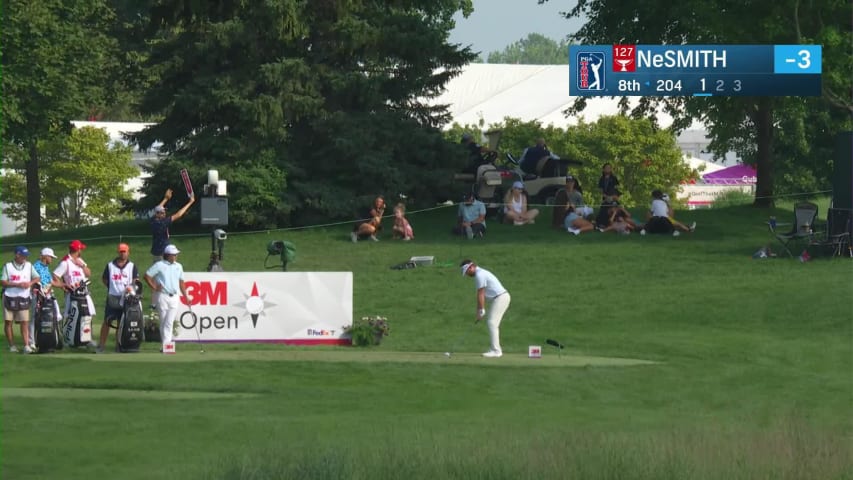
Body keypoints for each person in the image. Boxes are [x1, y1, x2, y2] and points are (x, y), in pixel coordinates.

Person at [144, 244, 190, 353]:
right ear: (168, 255)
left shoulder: (179, 266)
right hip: (162, 296)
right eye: (173, 255)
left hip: (174, 296)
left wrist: (186, 296)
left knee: (169, 322)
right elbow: (146, 276)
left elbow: (181, 283)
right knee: (164, 321)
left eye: (176, 254)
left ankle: (166, 346)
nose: (175, 256)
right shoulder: (159, 265)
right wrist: (154, 287)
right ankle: (166, 346)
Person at [460, 260, 510, 358]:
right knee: (492, 323)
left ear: (471, 267)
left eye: (466, 271)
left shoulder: (480, 274)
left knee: (492, 323)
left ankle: (496, 351)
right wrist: (479, 311)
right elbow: (480, 295)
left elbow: (481, 293)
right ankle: (495, 349)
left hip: (501, 297)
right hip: (499, 298)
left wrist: (481, 309)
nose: (466, 274)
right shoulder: (480, 273)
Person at [97, 243, 140, 353]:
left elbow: (135, 281)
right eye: (121, 251)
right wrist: (111, 287)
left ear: (128, 252)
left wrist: (131, 290)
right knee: (107, 321)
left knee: (121, 323)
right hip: (112, 297)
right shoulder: (110, 265)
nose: (122, 253)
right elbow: (105, 279)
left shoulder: (132, 266)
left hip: (126, 298)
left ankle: (118, 345)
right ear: (118, 252)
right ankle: (101, 346)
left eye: (124, 251)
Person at [52, 240, 96, 347]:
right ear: (77, 249)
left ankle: (87, 339)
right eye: (80, 249)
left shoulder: (80, 260)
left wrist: (82, 266)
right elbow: (55, 275)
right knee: (71, 316)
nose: (81, 251)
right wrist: (63, 286)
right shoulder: (65, 262)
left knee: (87, 314)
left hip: (84, 293)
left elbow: (88, 273)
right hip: (72, 294)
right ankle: (69, 338)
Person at [2, 247, 39, 353]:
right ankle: (12, 346)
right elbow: (3, 282)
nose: (25, 257)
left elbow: (37, 277)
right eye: (23, 255)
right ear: (17, 255)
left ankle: (26, 345)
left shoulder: (29, 266)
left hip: (24, 297)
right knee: (8, 322)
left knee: (24, 322)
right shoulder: (7, 266)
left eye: (26, 255)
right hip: (9, 296)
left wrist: (30, 283)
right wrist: (18, 284)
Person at [150, 188, 196, 264]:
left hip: (155, 252)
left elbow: (157, 209)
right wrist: (190, 202)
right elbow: (178, 214)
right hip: (163, 253)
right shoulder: (163, 223)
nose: (164, 214)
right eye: (162, 213)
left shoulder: (153, 220)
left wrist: (166, 199)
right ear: (158, 214)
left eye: (164, 212)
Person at [30, 247, 61, 350]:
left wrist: (64, 285)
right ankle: (32, 342)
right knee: (35, 318)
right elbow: (36, 282)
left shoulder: (45, 267)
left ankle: (53, 338)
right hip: (38, 295)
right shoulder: (36, 266)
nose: (51, 259)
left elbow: (50, 282)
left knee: (55, 316)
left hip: (47, 296)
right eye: (51, 257)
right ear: (45, 256)